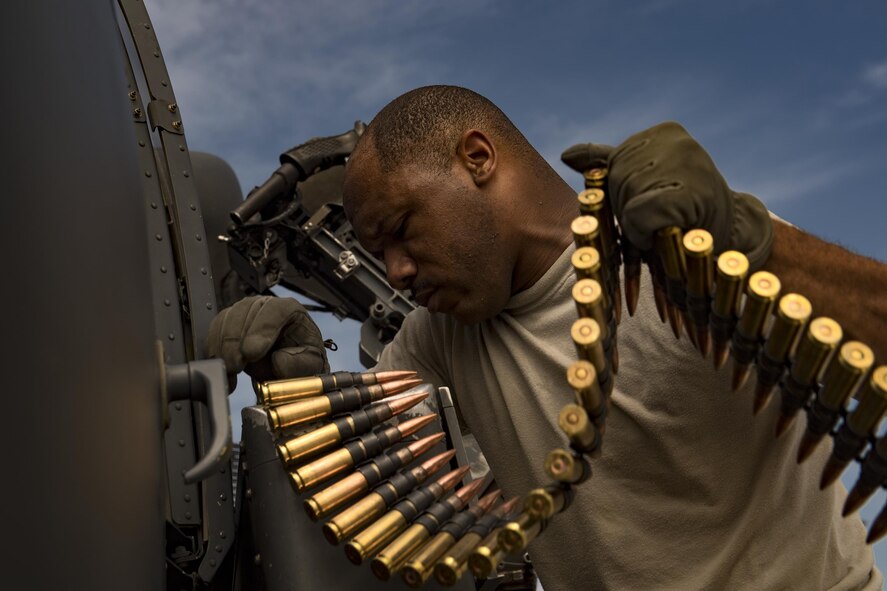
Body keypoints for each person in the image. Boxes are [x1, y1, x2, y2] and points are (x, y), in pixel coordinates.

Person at [209, 85, 886, 589]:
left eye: (402, 230)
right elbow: (376, 490)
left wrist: (750, 246)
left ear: (476, 158)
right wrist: (302, 385)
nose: (396, 271)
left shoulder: (680, 251)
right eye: (377, 250)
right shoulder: (435, 337)